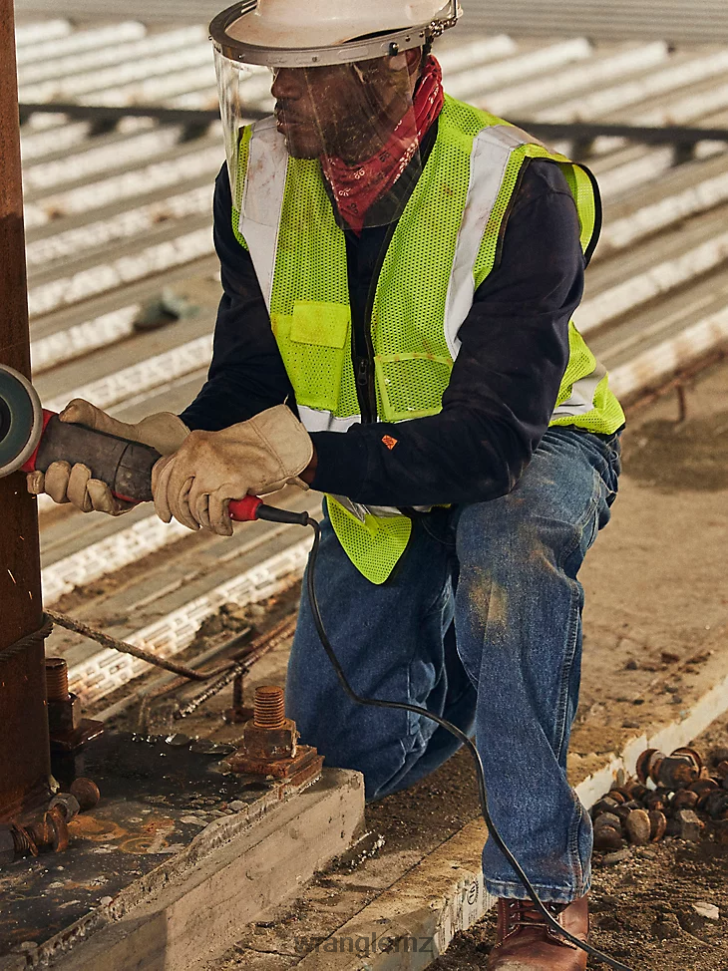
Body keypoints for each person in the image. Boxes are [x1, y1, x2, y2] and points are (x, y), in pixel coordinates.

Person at [30, 2, 625, 967]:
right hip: (364, 464)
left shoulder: (523, 189)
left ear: (392, 63)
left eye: (303, 70)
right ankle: (490, 692)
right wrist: (169, 439)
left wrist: (295, 454)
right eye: (270, 67)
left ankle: (542, 885)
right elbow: (255, 377)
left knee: (504, 555)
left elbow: (487, 445)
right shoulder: (260, 174)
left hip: (524, 451)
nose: (276, 91)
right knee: (344, 748)